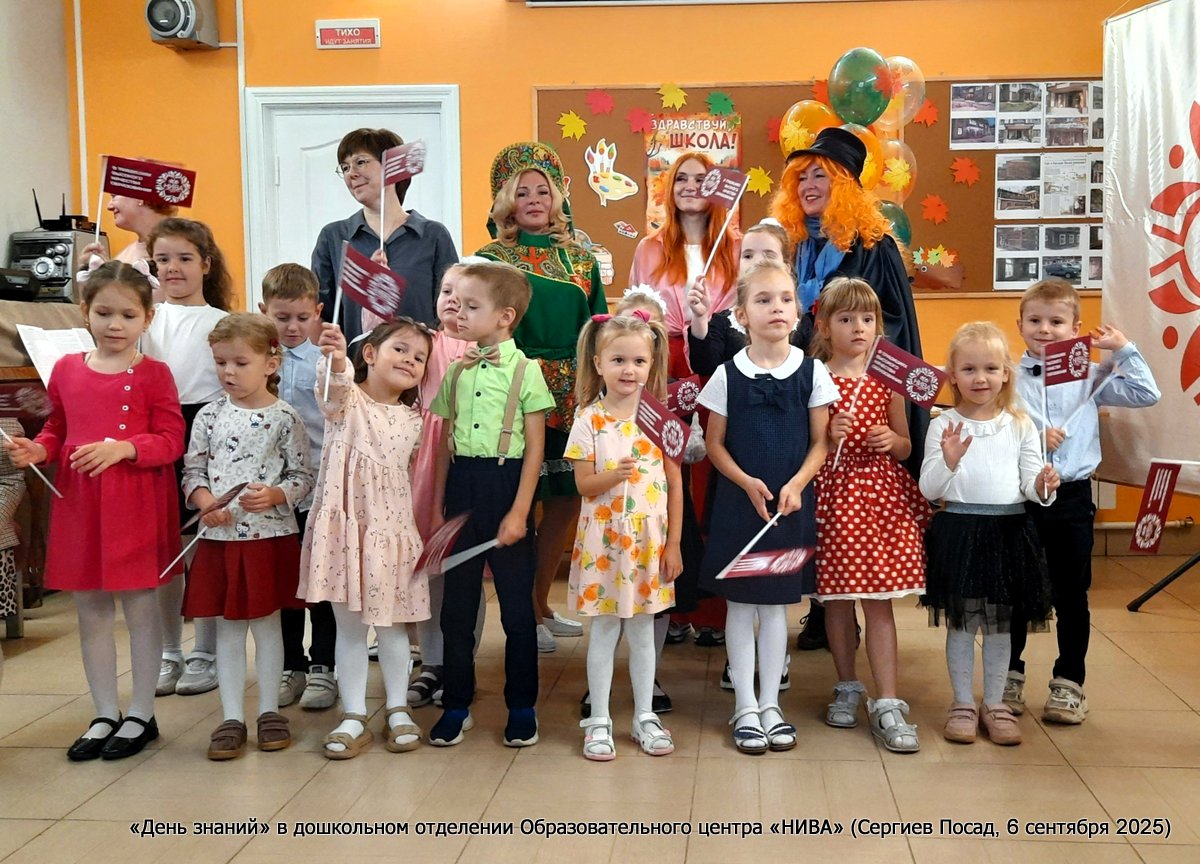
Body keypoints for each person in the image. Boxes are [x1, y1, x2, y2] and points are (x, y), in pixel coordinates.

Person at [4, 261, 184, 760]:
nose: (114, 324)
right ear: (85, 311)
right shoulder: (65, 369)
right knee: (91, 611)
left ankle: (142, 713)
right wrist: (39, 450)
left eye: (128, 315)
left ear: (147, 318)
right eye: (104, 313)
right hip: (80, 504)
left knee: (141, 609)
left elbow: (172, 439)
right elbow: (57, 428)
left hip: (135, 503)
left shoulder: (154, 374)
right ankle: (105, 711)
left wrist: (125, 447)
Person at [772, 125, 927, 652]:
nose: (809, 186)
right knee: (814, 489)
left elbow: (892, 324)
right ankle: (824, 602)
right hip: (799, 380)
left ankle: (838, 610)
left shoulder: (872, 246)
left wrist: (854, 357)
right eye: (802, 177)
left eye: (821, 176)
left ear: (844, 187)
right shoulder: (792, 245)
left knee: (844, 500)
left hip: (855, 387)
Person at [697, 260, 837, 754]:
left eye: (784, 299)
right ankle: (744, 707)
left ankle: (771, 704)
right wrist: (744, 482)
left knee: (777, 606)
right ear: (741, 315)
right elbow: (714, 444)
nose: (776, 308)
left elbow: (821, 442)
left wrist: (797, 484)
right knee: (740, 605)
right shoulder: (725, 374)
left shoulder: (813, 371)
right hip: (740, 506)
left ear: (798, 311)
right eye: (763, 300)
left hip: (790, 506)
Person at [1006, 279, 1159, 724]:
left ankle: (1069, 681)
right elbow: (992, 425)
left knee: (1071, 591)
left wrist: (1123, 349)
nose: (1045, 329)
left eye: (1056, 322)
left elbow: (1146, 394)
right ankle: (1008, 675)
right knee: (1015, 590)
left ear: (1075, 329)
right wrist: (1034, 436)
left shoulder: (1092, 376)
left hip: (1071, 497)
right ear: (1020, 325)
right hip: (1020, 495)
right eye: (1035, 320)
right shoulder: (1008, 377)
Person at [476, 142, 608, 653]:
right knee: (521, 500)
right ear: (506, 200)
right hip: (513, 389)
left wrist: (595, 388)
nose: (534, 199)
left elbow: (597, 326)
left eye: (543, 190)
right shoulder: (490, 260)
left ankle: (539, 604)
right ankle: (521, 614)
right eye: (523, 191)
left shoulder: (582, 259)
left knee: (566, 499)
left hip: (573, 392)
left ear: (557, 198)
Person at [428, 260, 554, 748]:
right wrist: (438, 508)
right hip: (462, 489)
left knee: (517, 611)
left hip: (507, 488)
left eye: (471, 306)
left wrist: (520, 511)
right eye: (455, 303)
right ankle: (456, 704)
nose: (458, 312)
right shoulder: (456, 371)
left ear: (504, 317)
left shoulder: (526, 372)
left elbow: (536, 450)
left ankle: (521, 706)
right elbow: (443, 446)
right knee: (457, 610)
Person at [920, 322, 1059, 746]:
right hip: (960, 531)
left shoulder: (1020, 423)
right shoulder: (943, 424)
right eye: (969, 369)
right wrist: (949, 460)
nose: (980, 378)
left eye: (990, 369)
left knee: (1000, 626)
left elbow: (1031, 485)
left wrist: (1044, 485)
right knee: (962, 624)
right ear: (953, 375)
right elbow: (929, 489)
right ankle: (962, 702)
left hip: (1009, 531)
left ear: (1005, 374)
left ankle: (995, 703)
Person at [181, 314, 314, 760]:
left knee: (268, 625)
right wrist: (206, 503)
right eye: (221, 362)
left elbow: (302, 476)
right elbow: (193, 472)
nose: (228, 372)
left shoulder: (285, 418)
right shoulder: (208, 415)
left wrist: (276, 494)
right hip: (220, 541)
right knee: (229, 627)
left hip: (269, 538)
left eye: (240, 363)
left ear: (270, 364)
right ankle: (232, 716)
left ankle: (269, 711)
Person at [300, 318, 433, 759]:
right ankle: (354, 713)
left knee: (393, 629)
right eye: (401, 349)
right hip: (345, 536)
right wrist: (338, 359)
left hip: (391, 535)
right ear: (371, 354)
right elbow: (332, 388)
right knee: (351, 629)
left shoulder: (413, 420)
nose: (410, 360)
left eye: (419, 357)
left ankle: (397, 708)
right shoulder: (347, 402)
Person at [810, 277, 931, 753]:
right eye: (846, 319)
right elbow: (809, 446)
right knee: (837, 601)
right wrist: (827, 434)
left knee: (879, 602)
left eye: (867, 318)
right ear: (825, 327)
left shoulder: (887, 378)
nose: (858, 328)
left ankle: (888, 700)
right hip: (834, 498)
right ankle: (847, 684)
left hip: (879, 502)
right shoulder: (815, 377)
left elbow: (905, 446)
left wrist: (891, 440)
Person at [567, 311, 683, 760]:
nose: (628, 370)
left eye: (638, 361)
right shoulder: (588, 420)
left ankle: (644, 715)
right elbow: (583, 484)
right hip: (604, 543)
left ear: (651, 365)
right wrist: (613, 475)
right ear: (598, 364)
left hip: (649, 543)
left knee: (642, 631)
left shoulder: (660, 420)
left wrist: (674, 544)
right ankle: (598, 718)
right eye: (618, 360)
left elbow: (674, 484)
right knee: (603, 630)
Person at [143, 218, 232, 698]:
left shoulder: (220, 322)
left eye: (184, 258)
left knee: (202, 547)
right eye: (163, 259)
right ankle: (168, 651)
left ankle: (206, 651)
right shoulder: (146, 319)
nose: (173, 268)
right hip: (156, 429)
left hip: (207, 430)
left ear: (206, 264)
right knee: (164, 550)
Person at [258, 264, 339, 712]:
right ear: (263, 311)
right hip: (272, 491)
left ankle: (324, 663)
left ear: (318, 313)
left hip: (319, 485)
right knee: (286, 580)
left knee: (321, 579)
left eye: (302, 318)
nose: (292, 327)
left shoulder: (327, 362)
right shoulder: (257, 362)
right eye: (281, 317)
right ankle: (292, 664)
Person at [406, 261, 484, 709]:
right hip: (425, 466)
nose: (454, 301)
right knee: (430, 568)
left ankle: (461, 661)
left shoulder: (488, 351)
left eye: (467, 297)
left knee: (465, 568)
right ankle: (432, 661)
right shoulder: (426, 344)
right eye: (447, 291)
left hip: (468, 462)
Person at [311, 127, 459, 342]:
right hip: (355, 362)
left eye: (361, 162)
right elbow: (320, 313)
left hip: (422, 360)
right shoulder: (333, 237)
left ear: (391, 168)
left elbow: (451, 311)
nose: (351, 173)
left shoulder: (434, 236)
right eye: (345, 167)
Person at [630, 151, 740, 377]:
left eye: (700, 180)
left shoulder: (738, 248)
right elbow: (634, 311)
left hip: (720, 360)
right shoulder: (648, 248)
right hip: (663, 362)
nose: (690, 186)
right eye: (681, 179)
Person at [687, 221, 804, 375]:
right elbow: (704, 367)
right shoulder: (723, 322)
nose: (757, 261)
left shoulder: (802, 325)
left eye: (769, 255)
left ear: (786, 267)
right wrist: (700, 318)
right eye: (748, 256)